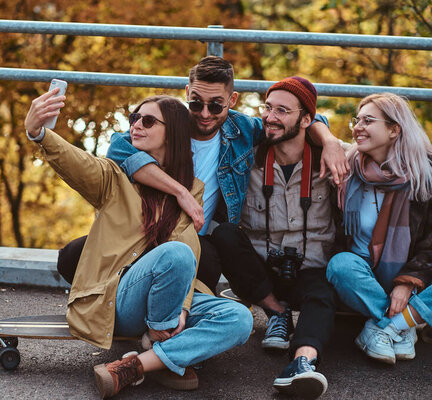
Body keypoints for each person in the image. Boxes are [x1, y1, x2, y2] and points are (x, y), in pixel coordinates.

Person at [24, 91, 253, 398]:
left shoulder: (191, 189)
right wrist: (38, 132)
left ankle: (135, 366)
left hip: (169, 297)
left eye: (148, 121)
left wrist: (183, 310)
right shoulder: (113, 177)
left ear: (171, 133)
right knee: (176, 254)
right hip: (119, 299)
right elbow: (74, 161)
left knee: (239, 319)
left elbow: (187, 245)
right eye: (134, 118)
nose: (135, 126)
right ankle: (165, 345)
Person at [57, 56, 348, 294]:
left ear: (232, 99)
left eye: (216, 105)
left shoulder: (244, 131)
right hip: (143, 234)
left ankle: (160, 312)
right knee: (70, 258)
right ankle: (131, 300)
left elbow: (302, 119)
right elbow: (120, 148)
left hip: (192, 243)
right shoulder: (168, 122)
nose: (205, 113)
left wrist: (330, 142)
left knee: (209, 261)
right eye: (196, 102)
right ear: (187, 93)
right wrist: (179, 191)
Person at [211, 77, 337, 399]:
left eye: (283, 110)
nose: (270, 117)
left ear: (306, 120)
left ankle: (302, 363)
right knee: (224, 235)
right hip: (261, 270)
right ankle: (277, 314)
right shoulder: (246, 159)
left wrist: (332, 142)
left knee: (322, 293)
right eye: (268, 108)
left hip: (310, 269)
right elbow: (211, 121)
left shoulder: (330, 159)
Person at [326, 93, 432, 365]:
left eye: (368, 120)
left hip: (414, 278)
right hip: (363, 278)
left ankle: (387, 328)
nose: (357, 127)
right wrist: (327, 140)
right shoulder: (347, 166)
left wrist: (407, 282)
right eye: (357, 120)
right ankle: (406, 323)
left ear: (394, 129)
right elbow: (309, 118)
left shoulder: (425, 174)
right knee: (340, 265)